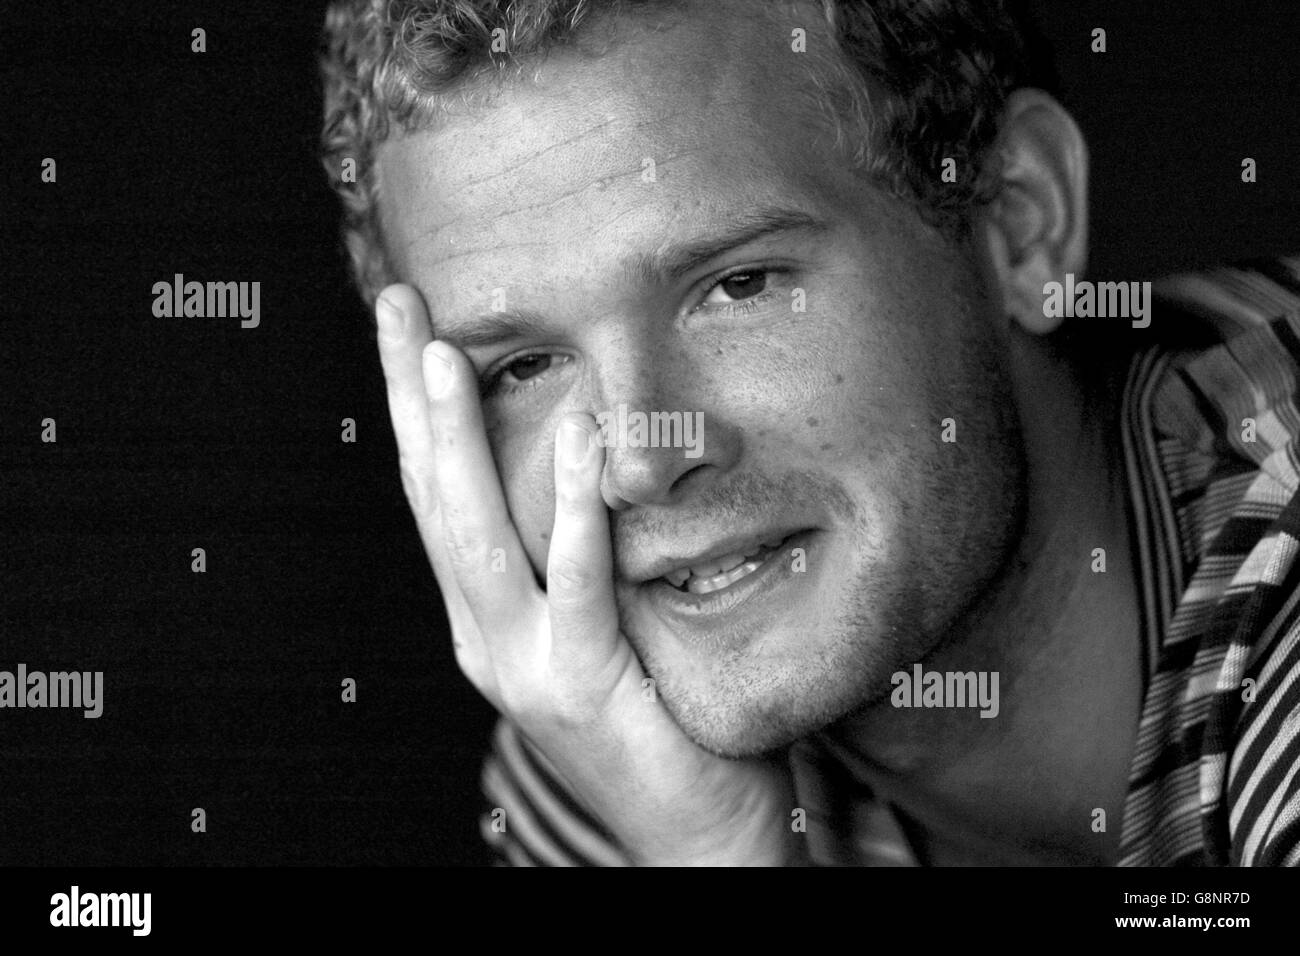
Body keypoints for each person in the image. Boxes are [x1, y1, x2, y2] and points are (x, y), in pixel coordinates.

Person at [319, 0, 1300, 865]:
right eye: (522, 367)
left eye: (736, 285)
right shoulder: (617, 761)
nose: (641, 459)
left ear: (1018, 218)